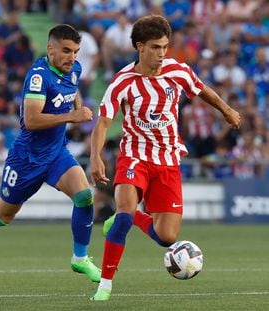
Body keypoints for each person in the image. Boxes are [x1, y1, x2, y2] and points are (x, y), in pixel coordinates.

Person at [89, 14, 241, 301]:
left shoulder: (177, 71)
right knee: (121, 214)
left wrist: (226, 110)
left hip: (168, 160)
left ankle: (134, 216)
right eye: (155, 47)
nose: (161, 54)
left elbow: (202, 90)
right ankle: (105, 285)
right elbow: (103, 123)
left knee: (167, 237)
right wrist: (96, 157)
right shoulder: (122, 82)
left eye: (165, 47)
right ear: (139, 47)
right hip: (134, 156)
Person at [0, 24, 101, 285]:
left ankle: (80, 258)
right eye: (65, 51)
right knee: (2, 216)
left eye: (75, 51)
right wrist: (73, 116)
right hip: (26, 159)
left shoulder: (74, 69)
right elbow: (31, 120)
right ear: (50, 49)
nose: (71, 57)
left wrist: (77, 104)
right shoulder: (39, 76)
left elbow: (72, 89)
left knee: (85, 196)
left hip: (56, 154)